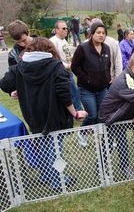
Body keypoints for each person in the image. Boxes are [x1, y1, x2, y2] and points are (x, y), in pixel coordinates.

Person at [0, 37, 87, 190]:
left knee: (42, 145)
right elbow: (64, 94)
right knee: (54, 148)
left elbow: (5, 84)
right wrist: (75, 113)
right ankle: (56, 180)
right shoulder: (55, 66)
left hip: (33, 113)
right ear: (49, 49)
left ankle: (46, 174)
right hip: (54, 114)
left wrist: (15, 90)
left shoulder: (20, 66)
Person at [71, 22, 110, 129]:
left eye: (103, 33)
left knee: (102, 116)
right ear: (91, 34)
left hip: (102, 89)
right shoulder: (82, 48)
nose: (101, 35)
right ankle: (82, 132)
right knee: (92, 115)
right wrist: (87, 79)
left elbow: (108, 65)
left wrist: (108, 79)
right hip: (87, 89)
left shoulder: (106, 48)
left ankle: (100, 138)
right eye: (98, 32)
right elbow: (75, 66)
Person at [50, 20, 82, 111]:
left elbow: (67, 53)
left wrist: (73, 60)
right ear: (56, 30)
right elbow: (54, 59)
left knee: (73, 92)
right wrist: (67, 66)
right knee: (73, 92)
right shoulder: (53, 42)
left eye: (67, 28)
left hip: (69, 70)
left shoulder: (63, 40)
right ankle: (78, 111)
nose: (66, 30)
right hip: (62, 72)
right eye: (63, 28)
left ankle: (76, 110)